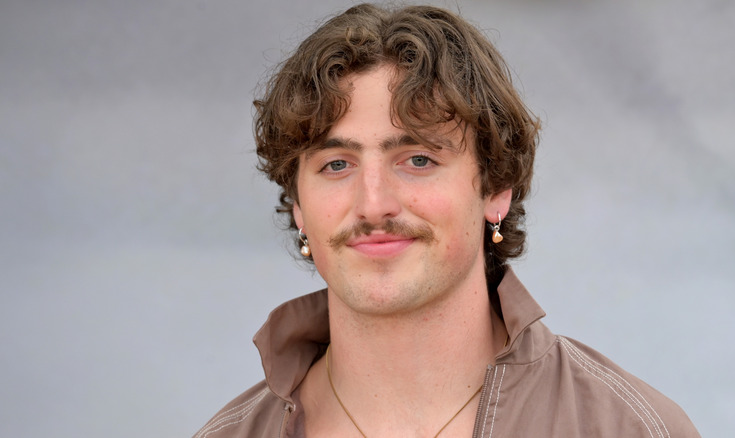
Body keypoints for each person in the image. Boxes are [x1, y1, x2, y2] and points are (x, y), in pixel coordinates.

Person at [194, 4, 700, 437]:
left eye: (417, 160)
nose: (373, 205)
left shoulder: (630, 428)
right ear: (299, 206)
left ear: (496, 187)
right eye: (337, 165)